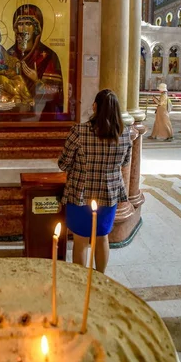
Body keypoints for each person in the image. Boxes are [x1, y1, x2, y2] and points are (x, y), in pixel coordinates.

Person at [58, 89, 132, 273]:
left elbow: (64, 164)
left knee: (81, 240)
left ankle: (81, 280)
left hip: (80, 193)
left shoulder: (79, 131)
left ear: (95, 107)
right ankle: (100, 278)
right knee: (102, 237)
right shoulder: (124, 134)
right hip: (109, 193)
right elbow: (125, 162)